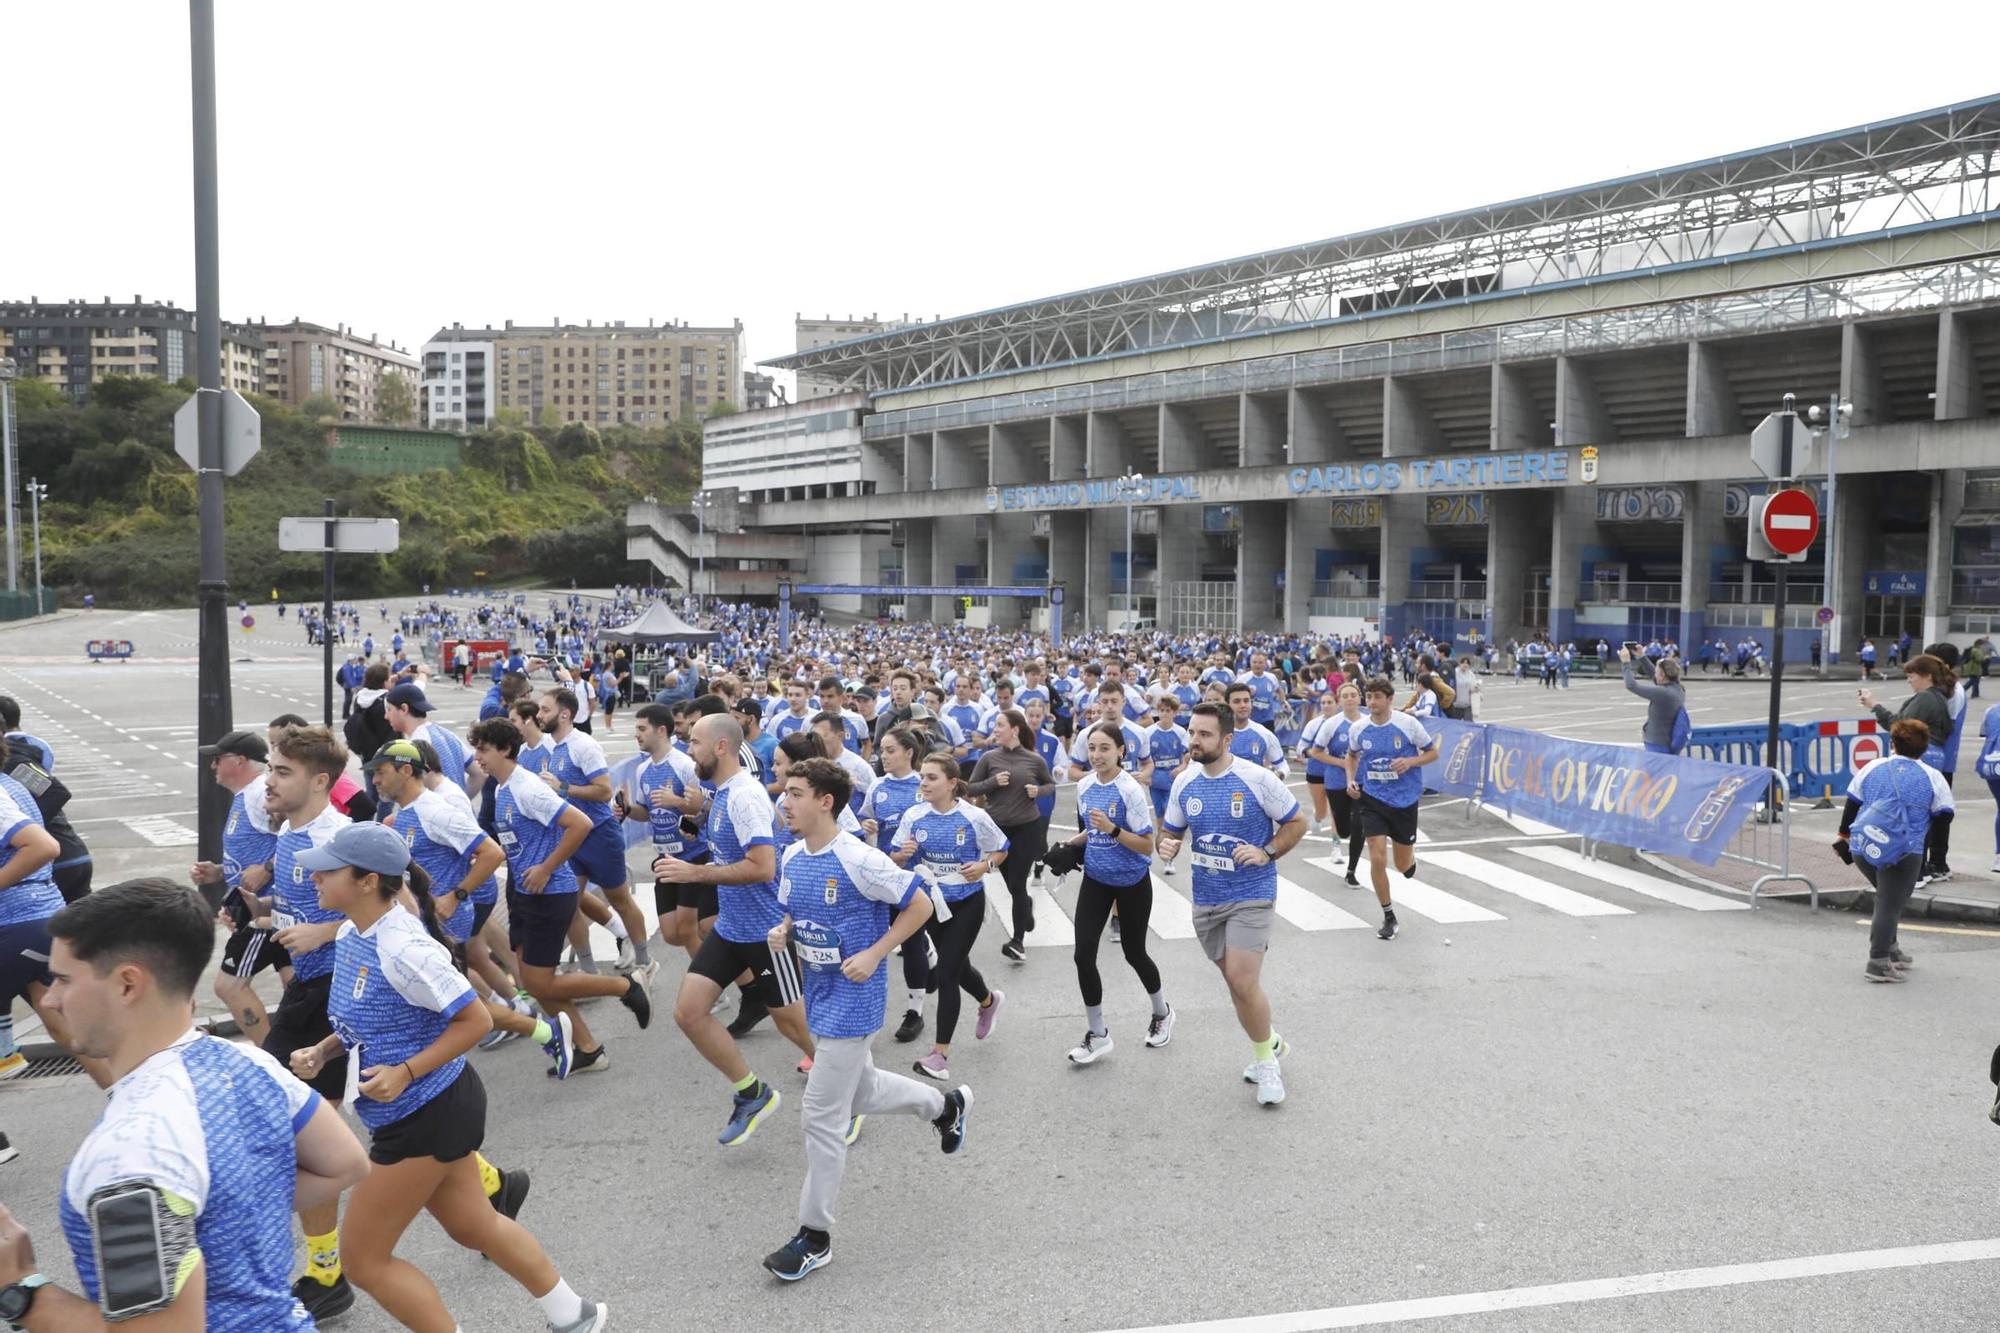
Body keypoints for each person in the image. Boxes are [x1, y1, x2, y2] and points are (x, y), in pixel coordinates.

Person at [0, 880, 369, 1327]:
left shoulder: (131, 1150)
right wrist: (225, 1219)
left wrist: (18, 1289)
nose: (51, 999)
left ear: (127, 984)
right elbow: (346, 1164)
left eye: (62, 979)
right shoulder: (249, 1061)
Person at [287, 823, 610, 1333]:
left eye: (328, 869)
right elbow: (366, 1021)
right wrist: (323, 1051)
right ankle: (575, 1314)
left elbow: (476, 1019)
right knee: (474, 1225)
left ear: (369, 881)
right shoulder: (352, 933)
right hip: (425, 1108)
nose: (314, 877)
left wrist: (406, 1071)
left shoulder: (404, 948)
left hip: (425, 1113)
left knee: (364, 1261)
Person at [762, 757, 971, 1282]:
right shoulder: (792, 855)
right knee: (861, 1091)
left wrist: (878, 952)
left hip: (856, 997)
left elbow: (919, 905)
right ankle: (943, 1106)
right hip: (821, 987)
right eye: (784, 792)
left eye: (794, 793)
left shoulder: (859, 857)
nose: (784, 801)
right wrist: (785, 931)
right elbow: (796, 908)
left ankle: (815, 1236)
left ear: (825, 801)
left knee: (821, 1116)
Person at [659, 713, 815, 1146]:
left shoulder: (745, 796)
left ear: (721, 747)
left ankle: (853, 1094)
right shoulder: (723, 792)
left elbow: (763, 868)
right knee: (689, 1013)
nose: (689, 750)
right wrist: (699, 810)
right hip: (732, 928)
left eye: (694, 742)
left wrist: (696, 875)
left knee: (796, 1029)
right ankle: (752, 1094)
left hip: (766, 933)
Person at [467, 717, 652, 1082]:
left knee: (542, 982)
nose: (478, 758)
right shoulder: (502, 788)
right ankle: (588, 1049)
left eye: (483, 750)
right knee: (533, 982)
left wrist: (548, 867)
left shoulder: (526, 787)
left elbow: (579, 824)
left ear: (505, 749)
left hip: (550, 893)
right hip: (524, 892)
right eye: (476, 750)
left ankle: (626, 986)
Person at [1157, 703, 1306, 1106]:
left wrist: (1268, 852)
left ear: (1226, 739)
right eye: (1193, 733)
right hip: (1206, 899)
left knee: (1242, 980)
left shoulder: (1256, 778)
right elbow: (1168, 833)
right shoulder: (1184, 783)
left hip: (1252, 894)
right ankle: (1271, 1042)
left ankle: (1266, 1066)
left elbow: (1297, 822)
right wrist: (1166, 845)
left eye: (1204, 734)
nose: (1194, 741)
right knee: (1238, 987)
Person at [1058, 722, 1174, 1064]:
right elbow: (1090, 834)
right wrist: (1067, 846)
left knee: (1134, 953)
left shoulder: (1130, 790)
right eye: (1092, 748)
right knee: (1083, 955)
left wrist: (1112, 828)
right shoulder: (1084, 786)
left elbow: (1145, 845)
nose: (1097, 755)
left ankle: (1162, 1011)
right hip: (1096, 878)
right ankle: (1098, 1035)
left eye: (1105, 748)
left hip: (1132, 881)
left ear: (1122, 751)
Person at [893, 753, 1008, 1083]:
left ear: (952, 784)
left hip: (967, 902)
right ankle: (988, 1001)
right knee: (956, 967)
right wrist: (901, 855)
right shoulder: (914, 816)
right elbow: (896, 856)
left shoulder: (973, 816)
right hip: (932, 903)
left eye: (931, 778)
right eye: (923, 777)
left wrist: (985, 866)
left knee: (945, 972)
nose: (924, 783)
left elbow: (1002, 847)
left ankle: (940, 1055)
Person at [189, 729, 288, 1049]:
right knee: (298, 987)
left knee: (229, 986)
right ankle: (299, 1052)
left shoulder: (260, 792)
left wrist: (268, 868)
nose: (213, 766)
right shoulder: (247, 795)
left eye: (218, 759)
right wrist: (219, 872)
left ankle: (273, 1056)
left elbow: (302, 833)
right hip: (259, 909)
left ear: (240, 760)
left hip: (262, 910)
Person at [1835, 719, 1951, 983]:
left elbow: (1852, 804)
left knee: (1889, 898)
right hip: (1903, 851)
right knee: (1889, 902)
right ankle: (1877, 962)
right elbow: (1944, 817)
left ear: (1893, 743)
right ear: (1924, 748)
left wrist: (1843, 836)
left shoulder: (1872, 767)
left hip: (1864, 847)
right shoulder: (1933, 777)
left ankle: (1891, 949)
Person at [1341, 677, 1440, 941]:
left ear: (1389, 699)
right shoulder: (1359, 728)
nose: (1372, 702)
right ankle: (1388, 916)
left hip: (1405, 800)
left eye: (1377, 697)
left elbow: (1432, 753)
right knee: (1376, 858)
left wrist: (1410, 761)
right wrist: (1350, 780)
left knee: (1403, 865)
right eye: (1369, 697)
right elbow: (1351, 756)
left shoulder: (1408, 724)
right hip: (1372, 798)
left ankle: (1410, 860)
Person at [861, 726, 933, 1044]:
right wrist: (869, 829)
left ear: (909, 752)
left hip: (917, 877)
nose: (883, 756)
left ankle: (915, 1011)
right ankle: (866, 1013)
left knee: (911, 940)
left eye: (890, 750)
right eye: (881, 751)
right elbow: (864, 832)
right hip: (882, 875)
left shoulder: (925, 785)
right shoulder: (877, 787)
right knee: (879, 941)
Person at [966, 707, 1054, 963]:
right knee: (1012, 886)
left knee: (1017, 883)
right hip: (998, 831)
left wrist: (1038, 791)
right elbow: (970, 788)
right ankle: (1025, 909)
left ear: (1014, 730)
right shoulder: (988, 758)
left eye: (1000, 725)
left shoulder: (1034, 759)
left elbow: (1050, 785)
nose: (995, 729)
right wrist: (993, 783)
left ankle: (1017, 942)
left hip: (1027, 827)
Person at [1619, 646, 1689, 754]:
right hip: (1665, 742)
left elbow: (1631, 686)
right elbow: (1656, 676)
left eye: (1657, 672)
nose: (1654, 675)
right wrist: (1641, 656)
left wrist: (1626, 663)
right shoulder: (1678, 688)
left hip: (1658, 745)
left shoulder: (1663, 693)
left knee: (1656, 770)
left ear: (1662, 676)